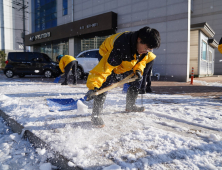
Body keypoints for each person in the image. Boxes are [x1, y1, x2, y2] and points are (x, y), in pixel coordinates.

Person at [85, 26, 161, 128]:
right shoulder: (120, 47)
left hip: (126, 57)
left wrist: (138, 70)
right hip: (107, 53)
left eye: (149, 50)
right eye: (146, 48)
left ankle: (130, 105)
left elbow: (142, 61)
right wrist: (93, 86)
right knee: (105, 82)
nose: (147, 51)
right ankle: (95, 115)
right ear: (139, 40)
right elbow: (103, 69)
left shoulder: (143, 50)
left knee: (138, 77)